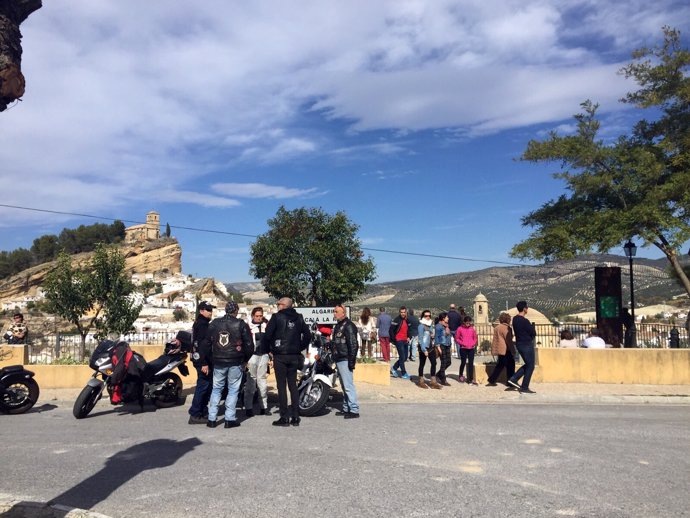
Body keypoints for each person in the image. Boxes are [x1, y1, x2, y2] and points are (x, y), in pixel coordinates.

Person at [262, 297, 311, 427]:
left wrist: (270, 350)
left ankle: (284, 417)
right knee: (293, 385)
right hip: (294, 355)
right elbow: (308, 335)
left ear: (284, 305)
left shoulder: (276, 317)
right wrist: (299, 347)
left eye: (278, 304)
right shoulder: (299, 317)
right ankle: (295, 416)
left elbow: (267, 335)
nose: (277, 306)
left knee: (281, 386)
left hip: (280, 355)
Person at [206, 301, 253, 429]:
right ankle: (229, 419)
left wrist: (211, 359)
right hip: (235, 361)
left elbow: (206, 343)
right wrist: (245, 360)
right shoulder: (240, 324)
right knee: (233, 390)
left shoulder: (215, 323)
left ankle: (211, 419)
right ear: (236, 310)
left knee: (216, 389)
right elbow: (249, 345)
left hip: (218, 361)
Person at [188, 301, 215, 425]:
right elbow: (201, 345)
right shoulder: (203, 325)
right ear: (201, 311)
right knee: (203, 387)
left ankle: (202, 411)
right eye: (208, 309)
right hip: (203, 361)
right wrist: (204, 363)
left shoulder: (200, 323)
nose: (210, 312)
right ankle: (195, 414)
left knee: (206, 387)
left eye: (211, 309)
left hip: (200, 360)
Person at [332, 304, 360, 418]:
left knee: (348, 385)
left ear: (343, 313)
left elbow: (353, 344)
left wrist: (351, 361)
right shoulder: (339, 325)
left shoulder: (349, 326)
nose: (334, 313)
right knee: (344, 385)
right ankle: (346, 407)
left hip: (345, 358)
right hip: (339, 358)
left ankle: (354, 410)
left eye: (336, 311)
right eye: (334, 311)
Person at [243, 306, 271, 417]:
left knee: (262, 384)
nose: (259, 318)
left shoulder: (266, 326)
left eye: (260, 316)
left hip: (263, 356)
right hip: (252, 357)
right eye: (257, 316)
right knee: (250, 384)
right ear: (253, 316)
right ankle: (248, 408)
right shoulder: (248, 327)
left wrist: (270, 355)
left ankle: (264, 407)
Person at [507, 301, 537, 394]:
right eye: (527, 307)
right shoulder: (525, 321)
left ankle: (514, 379)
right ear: (524, 309)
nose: (527, 309)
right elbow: (533, 332)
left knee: (528, 364)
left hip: (519, 344)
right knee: (531, 365)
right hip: (526, 344)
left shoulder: (515, 319)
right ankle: (523, 386)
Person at [487, 312, 516, 386]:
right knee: (511, 366)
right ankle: (510, 381)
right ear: (508, 320)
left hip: (500, 349)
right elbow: (509, 340)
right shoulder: (507, 328)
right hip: (506, 349)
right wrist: (513, 350)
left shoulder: (497, 328)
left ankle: (492, 379)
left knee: (500, 365)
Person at [417, 310, 441, 389]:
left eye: (429, 316)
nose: (428, 317)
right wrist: (424, 350)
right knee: (422, 364)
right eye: (426, 316)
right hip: (423, 348)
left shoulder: (430, 325)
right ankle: (421, 380)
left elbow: (430, 336)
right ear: (423, 317)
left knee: (434, 363)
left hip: (431, 347)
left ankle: (433, 381)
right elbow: (420, 339)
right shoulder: (421, 326)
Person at [389, 306, 412, 380]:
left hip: (405, 340)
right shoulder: (396, 320)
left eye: (404, 312)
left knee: (405, 357)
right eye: (401, 312)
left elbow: (409, 330)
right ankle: (404, 373)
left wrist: (409, 337)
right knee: (402, 357)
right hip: (399, 340)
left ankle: (394, 368)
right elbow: (391, 330)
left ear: (406, 312)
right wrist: (394, 339)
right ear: (399, 312)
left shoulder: (407, 320)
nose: (403, 313)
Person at [456, 316, 479, 385]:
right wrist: (462, 343)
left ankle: (470, 379)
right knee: (463, 362)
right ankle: (460, 375)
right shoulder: (459, 329)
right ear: (464, 322)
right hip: (463, 348)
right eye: (467, 323)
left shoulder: (472, 329)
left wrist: (473, 343)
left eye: (469, 323)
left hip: (471, 348)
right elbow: (457, 338)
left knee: (471, 363)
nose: (468, 324)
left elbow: (475, 337)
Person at [434, 312, 452, 386]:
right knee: (443, 362)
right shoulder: (438, 326)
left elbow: (448, 336)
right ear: (443, 318)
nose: (448, 318)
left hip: (447, 345)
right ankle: (443, 379)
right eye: (447, 317)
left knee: (449, 362)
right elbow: (436, 337)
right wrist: (438, 347)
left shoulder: (446, 326)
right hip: (442, 345)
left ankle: (439, 374)